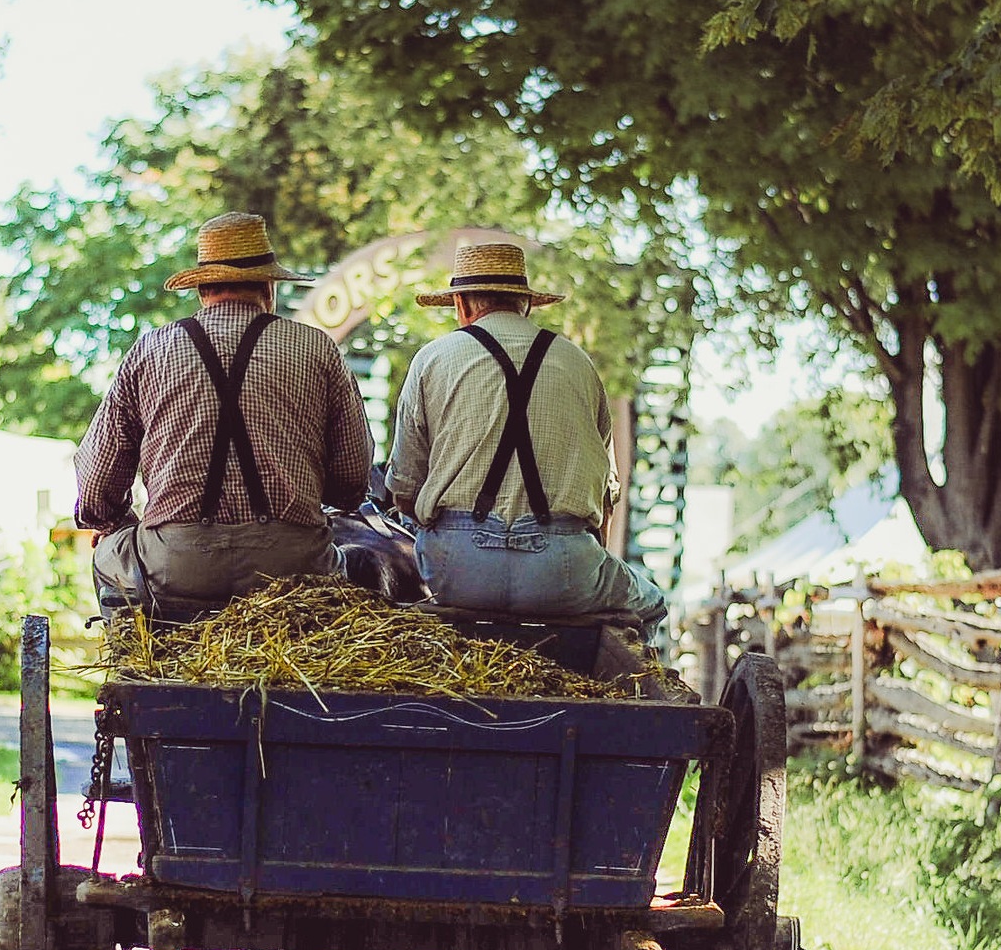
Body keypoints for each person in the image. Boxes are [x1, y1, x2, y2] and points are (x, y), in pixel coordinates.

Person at [75, 212, 373, 611]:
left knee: (107, 552)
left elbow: (96, 487)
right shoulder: (317, 349)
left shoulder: (150, 351)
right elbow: (352, 479)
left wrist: (115, 523)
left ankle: (134, 654)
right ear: (269, 286)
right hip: (294, 570)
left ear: (202, 289)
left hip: (177, 566)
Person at [385, 242, 667, 641]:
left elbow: (404, 492)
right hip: (562, 572)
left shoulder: (431, 360)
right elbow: (605, 500)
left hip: (458, 572)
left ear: (461, 305)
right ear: (527, 305)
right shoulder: (578, 363)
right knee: (651, 604)